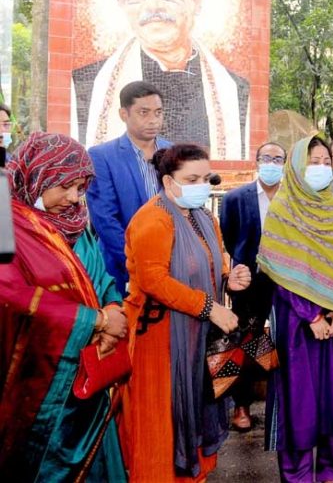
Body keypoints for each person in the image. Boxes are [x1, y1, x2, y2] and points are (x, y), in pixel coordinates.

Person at [120, 143, 252, 481]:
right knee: (161, 422)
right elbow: (153, 280)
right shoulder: (152, 219)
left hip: (196, 338)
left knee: (195, 410)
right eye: (191, 178)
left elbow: (214, 262)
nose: (200, 185)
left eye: (205, 178)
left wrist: (229, 277)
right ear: (168, 182)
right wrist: (210, 308)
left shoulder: (205, 216)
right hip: (159, 339)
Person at [0, 132, 128, 481]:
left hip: (90, 374)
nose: (74, 198)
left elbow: (99, 276)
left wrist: (114, 309)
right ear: (36, 178)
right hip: (39, 382)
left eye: (81, 187)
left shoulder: (76, 223)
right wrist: (95, 322)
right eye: (64, 187)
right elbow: (10, 294)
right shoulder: (7, 223)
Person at [258, 136, 333, 483]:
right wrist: (311, 316)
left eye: (326, 161)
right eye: (314, 160)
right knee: (298, 405)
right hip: (298, 326)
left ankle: (329, 475)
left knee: (332, 404)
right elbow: (280, 271)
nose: (322, 167)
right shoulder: (283, 210)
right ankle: (296, 477)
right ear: (297, 165)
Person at [72, 0, 250, 160]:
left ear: (196, 0)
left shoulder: (235, 89)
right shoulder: (87, 83)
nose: (153, 5)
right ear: (122, 3)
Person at [219, 141, 286, 432]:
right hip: (250, 282)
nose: (272, 162)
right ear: (257, 161)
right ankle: (241, 406)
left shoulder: (294, 198)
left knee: (287, 340)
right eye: (266, 157)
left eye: (278, 158)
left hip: (287, 282)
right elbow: (230, 238)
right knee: (245, 341)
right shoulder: (235, 198)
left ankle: (283, 401)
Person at [87, 81, 172, 294]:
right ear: (123, 114)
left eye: (158, 112)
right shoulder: (102, 156)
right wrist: (136, 263)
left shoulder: (174, 152)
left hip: (171, 264)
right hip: (123, 267)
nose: (153, 120)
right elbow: (105, 219)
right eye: (144, 112)